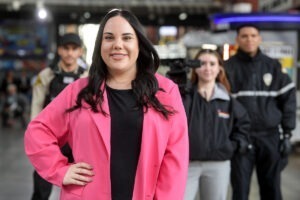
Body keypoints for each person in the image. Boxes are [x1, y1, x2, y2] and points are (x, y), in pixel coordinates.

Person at [24, 8, 189, 200]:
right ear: (100, 45)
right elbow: (38, 131)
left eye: (127, 38)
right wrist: (59, 169)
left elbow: (175, 158)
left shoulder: (165, 92)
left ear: (139, 44)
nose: (117, 45)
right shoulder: (79, 92)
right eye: (109, 38)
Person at [224, 24, 296, 200]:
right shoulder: (227, 68)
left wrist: (287, 135)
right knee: (240, 191)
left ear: (259, 38)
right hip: (241, 138)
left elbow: (288, 102)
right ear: (237, 40)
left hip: (270, 137)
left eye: (253, 35)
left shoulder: (273, 67)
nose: (249, 39)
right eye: (244, 36)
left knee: (272, 189)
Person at [183, 49, 250, 200]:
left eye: (212, 64)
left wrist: (232, 146)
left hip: (218, 165)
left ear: (219, 68)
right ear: (195, 68)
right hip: (188, 164)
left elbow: (243, 125)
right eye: (202, 63)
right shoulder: (185, 97)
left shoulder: (228, 100)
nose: (207, 68)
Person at [29, 32, 88, 200]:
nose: (70, 53)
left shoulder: (88, 77)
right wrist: (37, 140)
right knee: (41, 187)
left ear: (80, 52)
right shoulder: (46, 76)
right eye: (66, 48)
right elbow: (36, 107)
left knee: (80, 186)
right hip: (51, 139)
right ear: (59, 50)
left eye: (74, 49)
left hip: (77, 140)